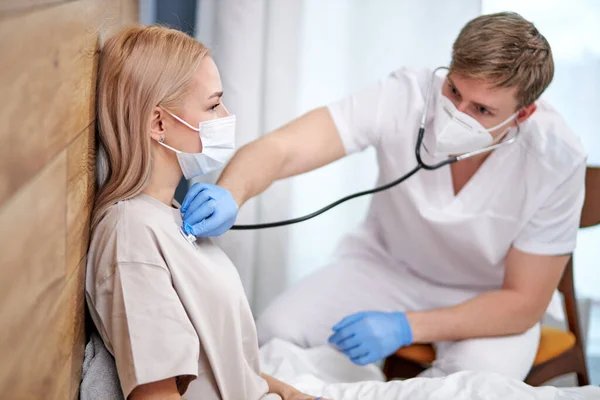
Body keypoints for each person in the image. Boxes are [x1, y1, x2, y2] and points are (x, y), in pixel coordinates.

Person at [180, 12, 587, 380]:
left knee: (476, 383)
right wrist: (230, 192)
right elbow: (284, 148)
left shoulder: (556, 159)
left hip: (488, 300)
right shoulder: (406, 95)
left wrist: (405, 326)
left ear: (524, 114)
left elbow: (523, 303)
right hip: (386, 269)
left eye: (482, 110)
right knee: (275, 331)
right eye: (453, 90)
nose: (457, 113)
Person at [86, 25, 318, 400]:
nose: (227, 116)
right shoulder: (131, 235)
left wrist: (292, 394)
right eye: (213, 105)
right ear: (158, 123)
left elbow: (230, 369)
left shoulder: (170, 215)